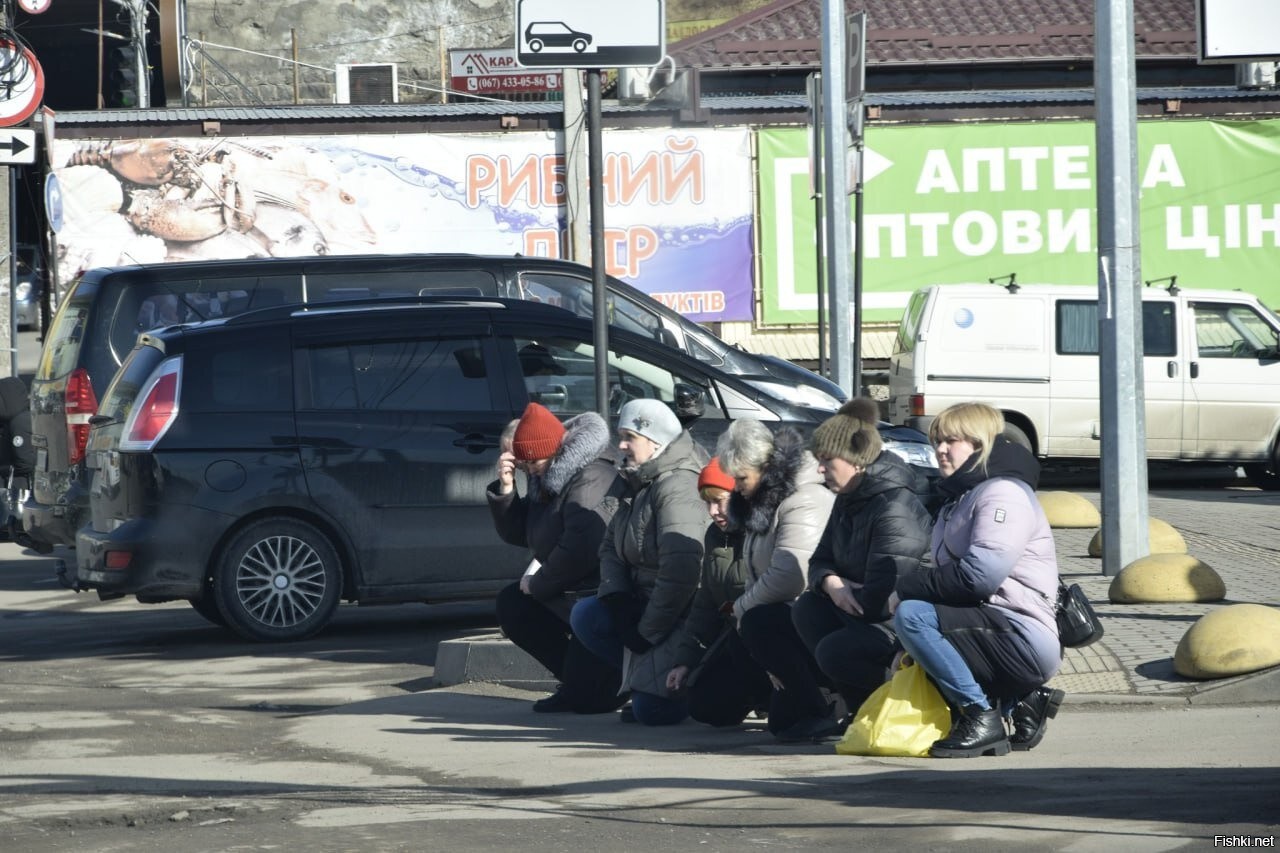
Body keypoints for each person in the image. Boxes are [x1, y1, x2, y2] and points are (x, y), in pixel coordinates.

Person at [890, 401, 1063, 758]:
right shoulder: (961, 497)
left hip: (1024, 634)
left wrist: (904, 588)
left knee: (914, 615)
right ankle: (1020, 700)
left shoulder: (1003, 494)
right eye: (936, 440)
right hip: (993, 627)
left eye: (950, 441)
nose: (939, 449)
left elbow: (977, 579)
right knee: (914, 620)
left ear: (979, 445)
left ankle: (981, 716)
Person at [666, 422, 836, 741]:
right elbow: (707, 600)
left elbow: (791, 576)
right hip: (776, 623)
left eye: (742, 479)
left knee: (756, 622)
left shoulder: (803, 499)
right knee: (712, 698)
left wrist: (743, 608)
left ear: (766, 467)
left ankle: (819, 706)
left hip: (808, 618)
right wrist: (687, 659)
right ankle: (782, 697)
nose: (739, 487)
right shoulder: (760, 507)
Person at [791, 398, 934, 720]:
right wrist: (832, 583)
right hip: (859, 609)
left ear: (857, 460)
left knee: (834, 650)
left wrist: (845, 591)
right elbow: (819, 561)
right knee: (806, 610)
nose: (820, 469)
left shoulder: (893, 508)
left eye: (827, 459)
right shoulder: (850, 497)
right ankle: (859, 710)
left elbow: (883, 599)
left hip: (894, 625)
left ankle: (894, 706)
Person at [570, 399, 708, 726]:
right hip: (645, 604)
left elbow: (683, 573)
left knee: (652, 713)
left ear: (655, 441)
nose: (621, 445)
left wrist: (645, 631)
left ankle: (688, 688)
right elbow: (609, 548)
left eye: (629, 436)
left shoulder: (678, 486)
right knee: (588, 614)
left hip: (682, 616)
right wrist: (617, 599)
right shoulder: (639, 479)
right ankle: (642, 680)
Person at [488, 401, 627, 714]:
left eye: (531, 461)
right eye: (523, 464)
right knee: (512, 604)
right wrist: (506, 490)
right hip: (568, 588)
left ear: (552, 449)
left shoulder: (590, 476)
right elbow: (523, 534)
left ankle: (602, 684)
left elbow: (580, 550)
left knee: (586, 704)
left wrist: (537, 584)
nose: (528, 468)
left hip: (595, 593)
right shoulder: (547, 473)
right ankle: (582, 684)